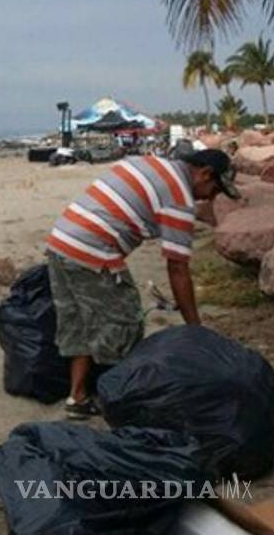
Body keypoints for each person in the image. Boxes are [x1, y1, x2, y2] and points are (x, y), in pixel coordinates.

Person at [44, 149, 239, 419]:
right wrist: (196, 330)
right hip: (92, 250)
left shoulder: (150, 162)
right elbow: (178, 268)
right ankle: (120, 402)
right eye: (215, 188)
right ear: (204, 173)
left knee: (79, 324)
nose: (211, 197)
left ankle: (77, 397)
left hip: (60, 241)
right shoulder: (180, 197)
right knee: (125, 324)